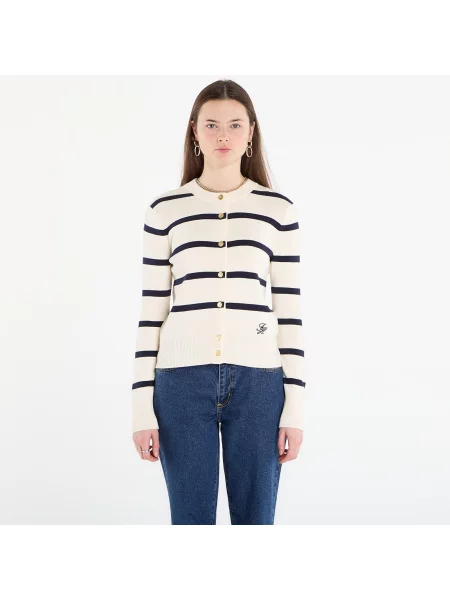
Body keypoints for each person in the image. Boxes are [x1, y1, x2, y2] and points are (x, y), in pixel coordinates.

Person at [131, 79, 306, 525]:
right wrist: (140, 409)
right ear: (195, 131)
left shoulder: (278, 211)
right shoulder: (164, 211)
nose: (222, 135)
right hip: (180, 383)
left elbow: (289, 313)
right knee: (190, 522)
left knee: (256, 521)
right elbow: (151, 313)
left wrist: (295, 407)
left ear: (251, 132)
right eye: (211, 124)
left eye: (234, 124)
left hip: (260, 384)